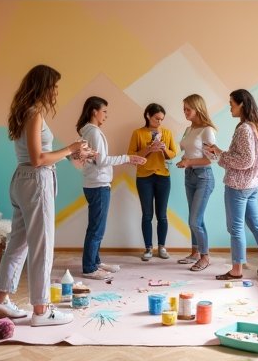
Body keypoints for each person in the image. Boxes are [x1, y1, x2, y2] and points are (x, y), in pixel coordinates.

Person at [0, 64, 92, 326]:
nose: (56, 91)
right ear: (43, 86)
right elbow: (38, 159)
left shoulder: (23, 113)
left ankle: (1, 302)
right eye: (54, 86)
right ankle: (41, 310)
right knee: (42, 247)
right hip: (35, 181)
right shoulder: (34, 114)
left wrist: (71, 153)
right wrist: (70, 148)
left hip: (22, 180)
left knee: (18, 243)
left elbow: (36, 155)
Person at [204, 89, 258, 281]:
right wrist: (220, 152)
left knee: (235, 228)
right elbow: (246, 158)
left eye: (231, 103)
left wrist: (221, 154)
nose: (230, 107)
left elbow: (246, 161)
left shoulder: (244, 128)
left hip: (238, 185)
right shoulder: (253, 127)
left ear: (241, 104)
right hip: (251, 185)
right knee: (257, 225)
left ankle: (236, 270)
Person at [76, 96, 146, 280]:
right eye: (104, 111)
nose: (106, 115)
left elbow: (94, 159)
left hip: (94, 183)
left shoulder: (88, 131)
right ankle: (89, 267)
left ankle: (96, 262)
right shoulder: (94, 133)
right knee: (96, 229)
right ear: (94, 111)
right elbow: (102, 161)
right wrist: (128, 158)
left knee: (96, 227)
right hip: (98, 185)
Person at [127, 103, 178, 261]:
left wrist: (163, 149)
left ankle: (162, 247)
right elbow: (131, 156)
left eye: (162, 119)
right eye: (157, 118)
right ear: (148, 115)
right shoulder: (138, 133)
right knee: (147, 215)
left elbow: (173, 154)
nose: (159, 122)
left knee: (162, 215)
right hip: (144, 178)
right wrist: (149, 148)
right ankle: (148, 248)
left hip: (163, 176)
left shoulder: (167, 133)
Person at [175, 94, 216, 272]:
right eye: (183, 109)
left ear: (197, 108)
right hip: (189, 176)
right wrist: (185, 159)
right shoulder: (189, 129)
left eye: (188, 109)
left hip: (203, 177)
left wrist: (189, 162)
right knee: (195, 218)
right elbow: (190, 152)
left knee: (194, 221)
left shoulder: (207, 130)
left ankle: (205, 257)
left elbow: (210, 159)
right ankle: (195, 253)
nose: (185, 112)